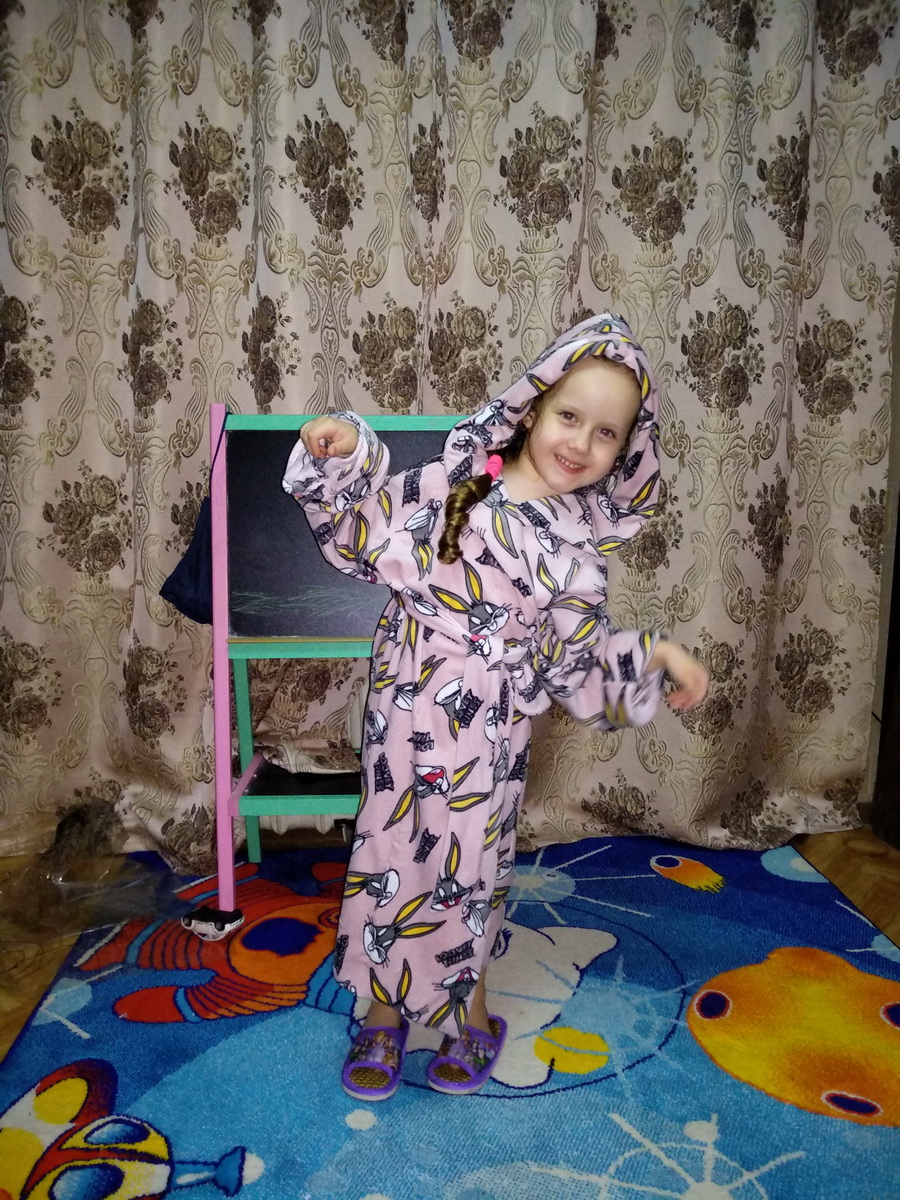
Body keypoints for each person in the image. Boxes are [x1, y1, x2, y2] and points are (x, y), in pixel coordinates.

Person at [282, 313, 709, 1101]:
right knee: (389, 850)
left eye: (606, 433)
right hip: (404, 706)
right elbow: (361, 531)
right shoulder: (457, 480)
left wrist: (651, 658)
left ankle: (467, 1012)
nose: (580, 442)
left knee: (467, 869)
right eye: (569, 416)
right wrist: (341, 447)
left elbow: (578, 664)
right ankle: (382, 1010)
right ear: (534, 408)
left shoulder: (577, 556)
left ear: (625, 451)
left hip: (488, 726)